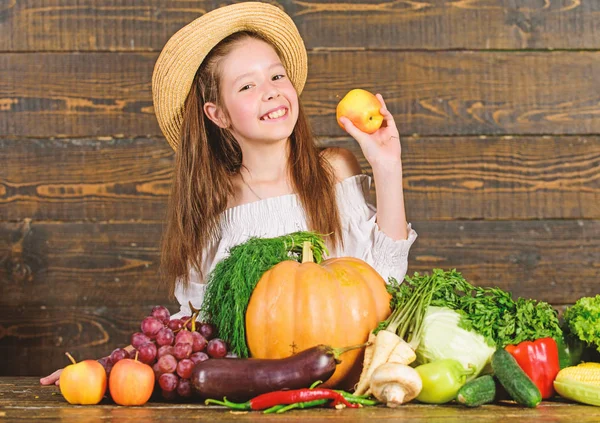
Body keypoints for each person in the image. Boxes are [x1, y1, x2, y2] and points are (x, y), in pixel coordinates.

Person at [41, 1, 417, 386]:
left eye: (276, 76)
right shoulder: (217, 206)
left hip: (353, 389)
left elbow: (386, 279)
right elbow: (195, 327)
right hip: (258, 394)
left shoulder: (334, 170)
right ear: (217, 114)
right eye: (247, 85)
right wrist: (110, 367)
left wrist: (387, 166)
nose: (270, 92)